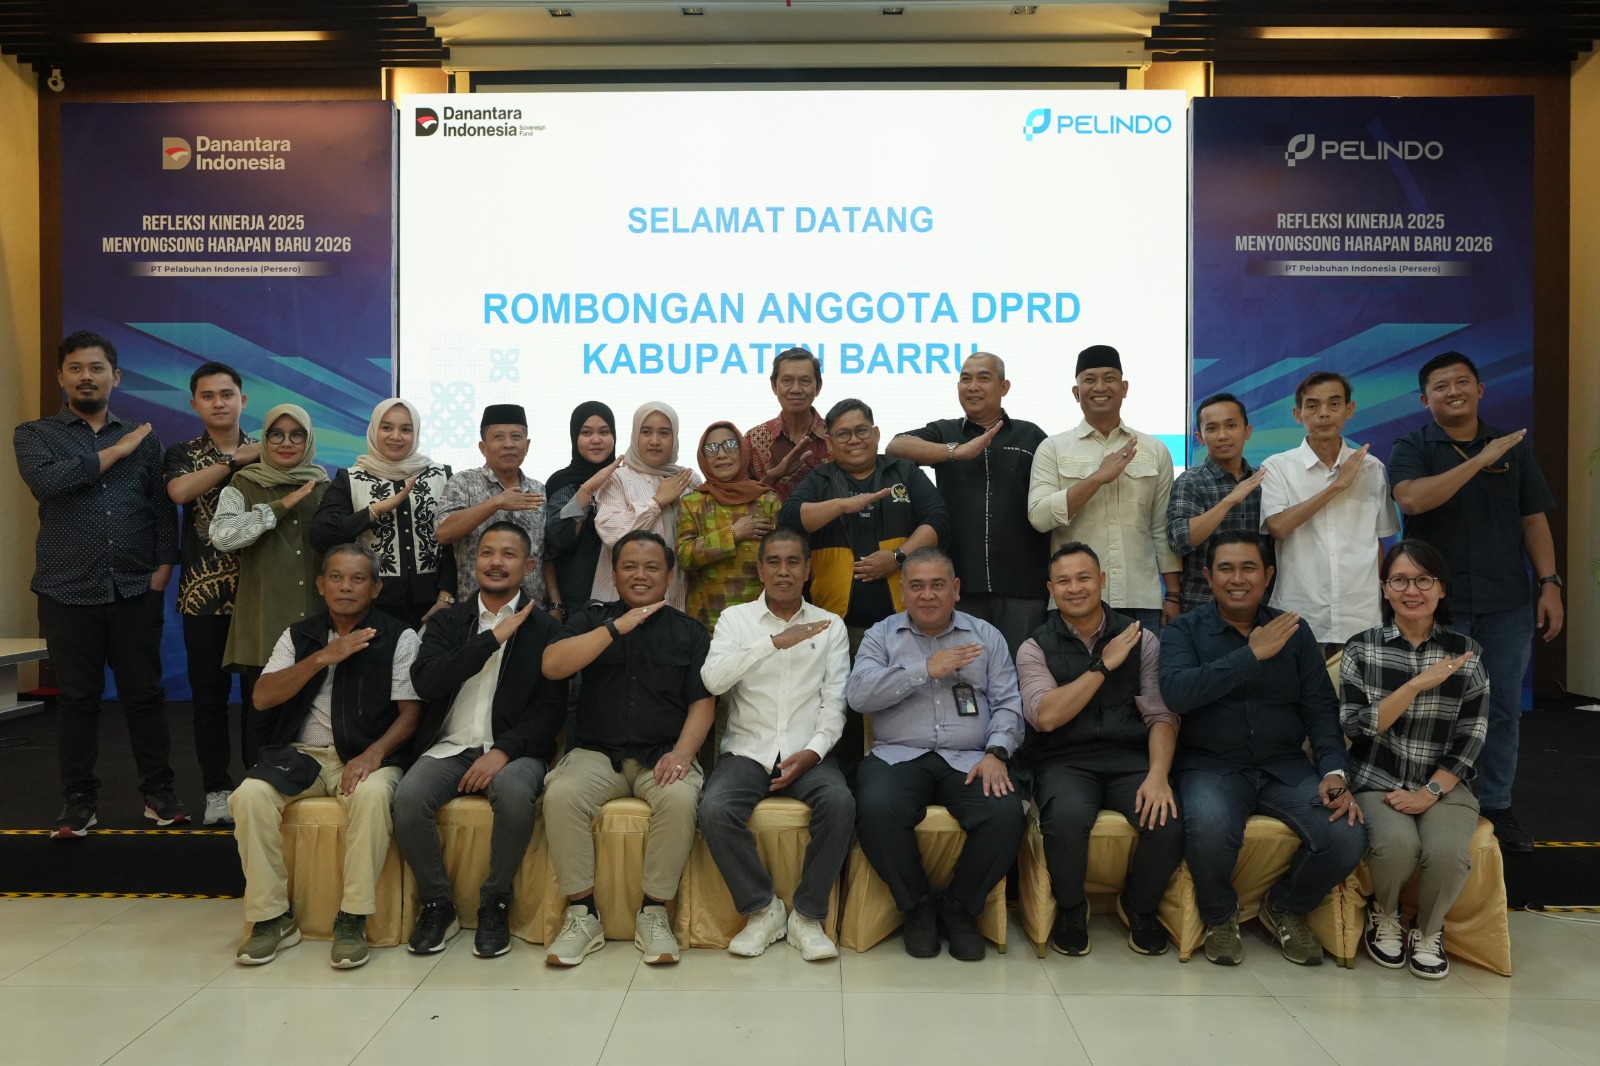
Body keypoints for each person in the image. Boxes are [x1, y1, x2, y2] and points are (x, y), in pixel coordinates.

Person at [1157, 531, 1366, 967]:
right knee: (1210, 828)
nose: (1238, 579)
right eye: (1226, 569)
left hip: (1284, 767)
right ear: (1208, 576)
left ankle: (1285, 907)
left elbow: (1320, 709)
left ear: (1268, 575)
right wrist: (1250, 655)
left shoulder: (1294, 631)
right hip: (1211, 766)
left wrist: (1333, 771)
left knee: (1346, 835)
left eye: (1249, 568)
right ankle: (1220, 916)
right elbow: (1177, 694)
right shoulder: (1182, 630)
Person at [1388, 351, 1562, 852]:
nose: (1454, 392)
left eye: (1462, 382)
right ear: (1425, 399)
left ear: (1480, 389)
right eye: (1441, 387)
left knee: (1502, 709)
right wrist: (1479, 462)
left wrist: (1550, 583)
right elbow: (1413, 499)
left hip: (1505, 601)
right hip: (1435, 606)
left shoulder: (1512, 448)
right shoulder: (1412, 446)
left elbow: (1533, 520)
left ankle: (1497, 807)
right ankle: (1433, 804)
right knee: (1434, 709)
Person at [14, 331, 185, 837]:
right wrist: (116, 451)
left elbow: (161, 507)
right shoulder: (35, 434)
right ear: (60, 377)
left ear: (116, 376)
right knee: (77, 700)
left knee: (144, 696)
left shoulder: (142, 436)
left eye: (96, 368)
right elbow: (50, 482)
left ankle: (159, 793)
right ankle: (78, 802)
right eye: (76, 368)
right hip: (65, 589)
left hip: (135, 588)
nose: (86, 376)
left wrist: (163, 570)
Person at [230, 544, 421, 969]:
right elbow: (262, 697)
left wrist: (374, 753)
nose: (345, 587)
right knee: (248, 796)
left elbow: (411, 714)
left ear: (376, 588)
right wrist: (322, 658)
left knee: (373, 797)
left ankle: (352, 917)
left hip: (368, 755)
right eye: (336, 577)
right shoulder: (299, 636)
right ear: (320, 585)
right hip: (304, 756)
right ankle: (272, 918)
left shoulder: (400, 636)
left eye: (357, 579)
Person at [539, 531, 715, 967]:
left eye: (652, 567)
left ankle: (653, 913)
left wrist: (683, 753)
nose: (640, 575)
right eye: (630, 567)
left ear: (669, 576)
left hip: (663, 754)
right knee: (561, 795)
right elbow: (553, 665)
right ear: (614, 574)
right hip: (598, 754)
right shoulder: (591, 619)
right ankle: (583, 914)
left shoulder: (691, 633)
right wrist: (616, 628)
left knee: (679, 799)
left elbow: (703, 703)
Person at [846, 548, 1026, 961]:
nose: (927, 595)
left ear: (956, 589)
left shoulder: (985, 636)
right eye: (917, 586)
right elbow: (858, 696)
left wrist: (997, 752)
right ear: (902, 591)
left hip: (971, 757)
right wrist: (924, 669)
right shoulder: (881, 635)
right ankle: (918, 907)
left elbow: (1008, 704)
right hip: (898, 755)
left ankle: (960, 908)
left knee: (1005, 815)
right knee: (876, 808)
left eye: (937, 585)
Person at [398, 522, 568, 958]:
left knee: (513, 793)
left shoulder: (546, 630)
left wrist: (503, 751)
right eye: (487, 553)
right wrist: (491, 639)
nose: (496, 562)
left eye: (509, 554)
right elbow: (427, 682)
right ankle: (438, 904)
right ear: (474, 563)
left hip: (514, 750)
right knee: (408, 798)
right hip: (449, 747)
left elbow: (550, 711)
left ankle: (495, 902)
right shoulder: (448, 621)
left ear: (529, 566)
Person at [1015, 542, 1183, 957]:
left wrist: (1158, 775)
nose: (1075, 588)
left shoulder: (1141, 639)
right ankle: (1072, 908)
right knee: (1066, 819)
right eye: (1064, 581)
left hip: (1131, 758)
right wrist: (1103, 665)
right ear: (1051, 589)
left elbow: (1161, 715)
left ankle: (1139, 906)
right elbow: (1046, 716)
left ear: (1102, 581)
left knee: (1166, 819)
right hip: (1064, 759)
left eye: (1084, 578)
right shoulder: (1034, 645)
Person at [697, 528, 854, 960]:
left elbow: (834, 701)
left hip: (809, 750)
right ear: (760, 570)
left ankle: (807, 915)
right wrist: (771, 644)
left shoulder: (831, 625)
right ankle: (764, 909)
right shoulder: (736, 620)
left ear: (807, 570)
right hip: (748, 750)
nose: (783, 571)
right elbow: (713, 680)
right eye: (774, 562)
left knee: (840, 804)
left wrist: (814, 751)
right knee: (714, 809)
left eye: (793, 562)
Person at [1341, 539, 1487, 980]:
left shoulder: (1467, 653)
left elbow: (1473, 735)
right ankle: (1384, 914)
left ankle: (1429, 930)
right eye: (1400, 580)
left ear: (1441, 588)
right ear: (1384, 589)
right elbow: (1356, 726)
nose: (1412, 590)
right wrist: (1415, 685)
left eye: (1424, 580)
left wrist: (1430, 792)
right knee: (1397, 847)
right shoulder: (1361, 649)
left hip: (1444, 784)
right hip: (1376, 777)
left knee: (1447, 854)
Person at [885, 352, 1051, 655]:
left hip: (1023, 585)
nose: (972, 386)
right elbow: (896, 446)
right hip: (960, 584)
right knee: (966, 673)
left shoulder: (1031, 435)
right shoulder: (944, 431)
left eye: (983, 378)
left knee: (1022, 671)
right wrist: (955, 452)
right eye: (965, 379)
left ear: (1004, 387)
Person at [1027, 344, 1181, 632]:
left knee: (1144, 665)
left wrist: (1172, 594)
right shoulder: (1053, 448)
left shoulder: (1154, 450)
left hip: (1140, 598)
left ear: (1124, 388)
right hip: (1073, 599)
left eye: (1110, 378)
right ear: (1076, 392)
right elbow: (1040, 518)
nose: (1100, 387)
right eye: (1090, 380)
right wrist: (1097, 478)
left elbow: (1160, 528)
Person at [163, 360, 257, 825]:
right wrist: (234, 461)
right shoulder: (182, 453)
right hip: (203, 596)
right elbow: (180, 493)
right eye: (208, 396)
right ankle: (217, 789)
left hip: (260, 595)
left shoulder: (270, 449)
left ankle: (259, 786)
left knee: (261, 697)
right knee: (209, 699)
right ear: (194, 403)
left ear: (243, 400)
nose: (218, 403)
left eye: (226, 394)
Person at [1258, 371, 1400, 647]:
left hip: (1361, 611)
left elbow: (1378, 541)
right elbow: (1277, 526)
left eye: (1334, 404)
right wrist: (1337, 486)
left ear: (1349, 409)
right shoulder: (1277, 467)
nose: (1323, 413)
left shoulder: (1372, 468)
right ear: (1298, 414)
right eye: (1312, 406)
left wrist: (1383, 597)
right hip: (1299, 609)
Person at [209, 404, 330, 727]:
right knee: (262, 719)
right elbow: (222, 536)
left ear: (309, 440)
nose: (286, 443)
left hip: (316, 619)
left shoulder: (324, 486)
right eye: (276, 434)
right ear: (264, 439)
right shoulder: (243, 483)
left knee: (314, 719)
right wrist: (279, 506)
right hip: (263, 619)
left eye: (297, 435)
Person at [312, 398, 455, 629]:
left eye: (406, 429)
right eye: (387, 427)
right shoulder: (350, 479)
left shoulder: (442, 476)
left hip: (435, 605)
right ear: (373, 430)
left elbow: (456, 541)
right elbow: (322, 535)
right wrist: (374, 510)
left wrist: (446, 596)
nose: (396, 436)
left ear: (416, 433)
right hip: (371, 608)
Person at [589, 402, 700, 610]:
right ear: (635, 435)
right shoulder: (618, 478)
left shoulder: (687, 479)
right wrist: (657, 502)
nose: (655, 441)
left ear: (674, 438)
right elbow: (609, 531)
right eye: (646, 432)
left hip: (678, 600)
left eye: (664, 433)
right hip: (623, 602)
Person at [435, 404, 547, 606]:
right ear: (483, 447)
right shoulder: (463, 482)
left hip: (531, 610)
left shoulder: (538, 489)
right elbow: (443, 533)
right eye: (498, 437)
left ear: (527, 445)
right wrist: (497, 502)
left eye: (516, 437)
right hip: (474, 610)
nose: (508, 445)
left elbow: (545, 554)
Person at [675, 420, 781, 632]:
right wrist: (733, 533)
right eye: (711, 449)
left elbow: (781, 559)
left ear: (742, 451)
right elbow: (685, 556)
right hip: (707, 622)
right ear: (703, 457)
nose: (721, 455)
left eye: (730, 445)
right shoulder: (693, 502)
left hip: (759, 619)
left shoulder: (767, 500)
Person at [1167, 392, 1265, 613]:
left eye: (1231, 426)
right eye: (1212, 428)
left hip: (1258, 607)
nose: (1222, 435)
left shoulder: (1263, 481)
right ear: (1199, 437)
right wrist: (1229, 501)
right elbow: (1179, 541)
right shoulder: (1190, 481)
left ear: (1247, 431)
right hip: (1202, 606)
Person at [543, 401, 618, 627]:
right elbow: (559, 537)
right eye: (586, 433)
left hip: (621, 603)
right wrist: (587, 489)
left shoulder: (625, 480)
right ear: (574, 437)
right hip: (574, 607)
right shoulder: (563, 483)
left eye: (604, 432)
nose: (596, 439)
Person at [743, 346, 830, 500]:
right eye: (787, 381)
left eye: (805, 381)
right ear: (774, 386)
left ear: (818, 387)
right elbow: (740, 501)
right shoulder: (753, 439)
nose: (796, 389)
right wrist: (773, 476)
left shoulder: (836, 436)